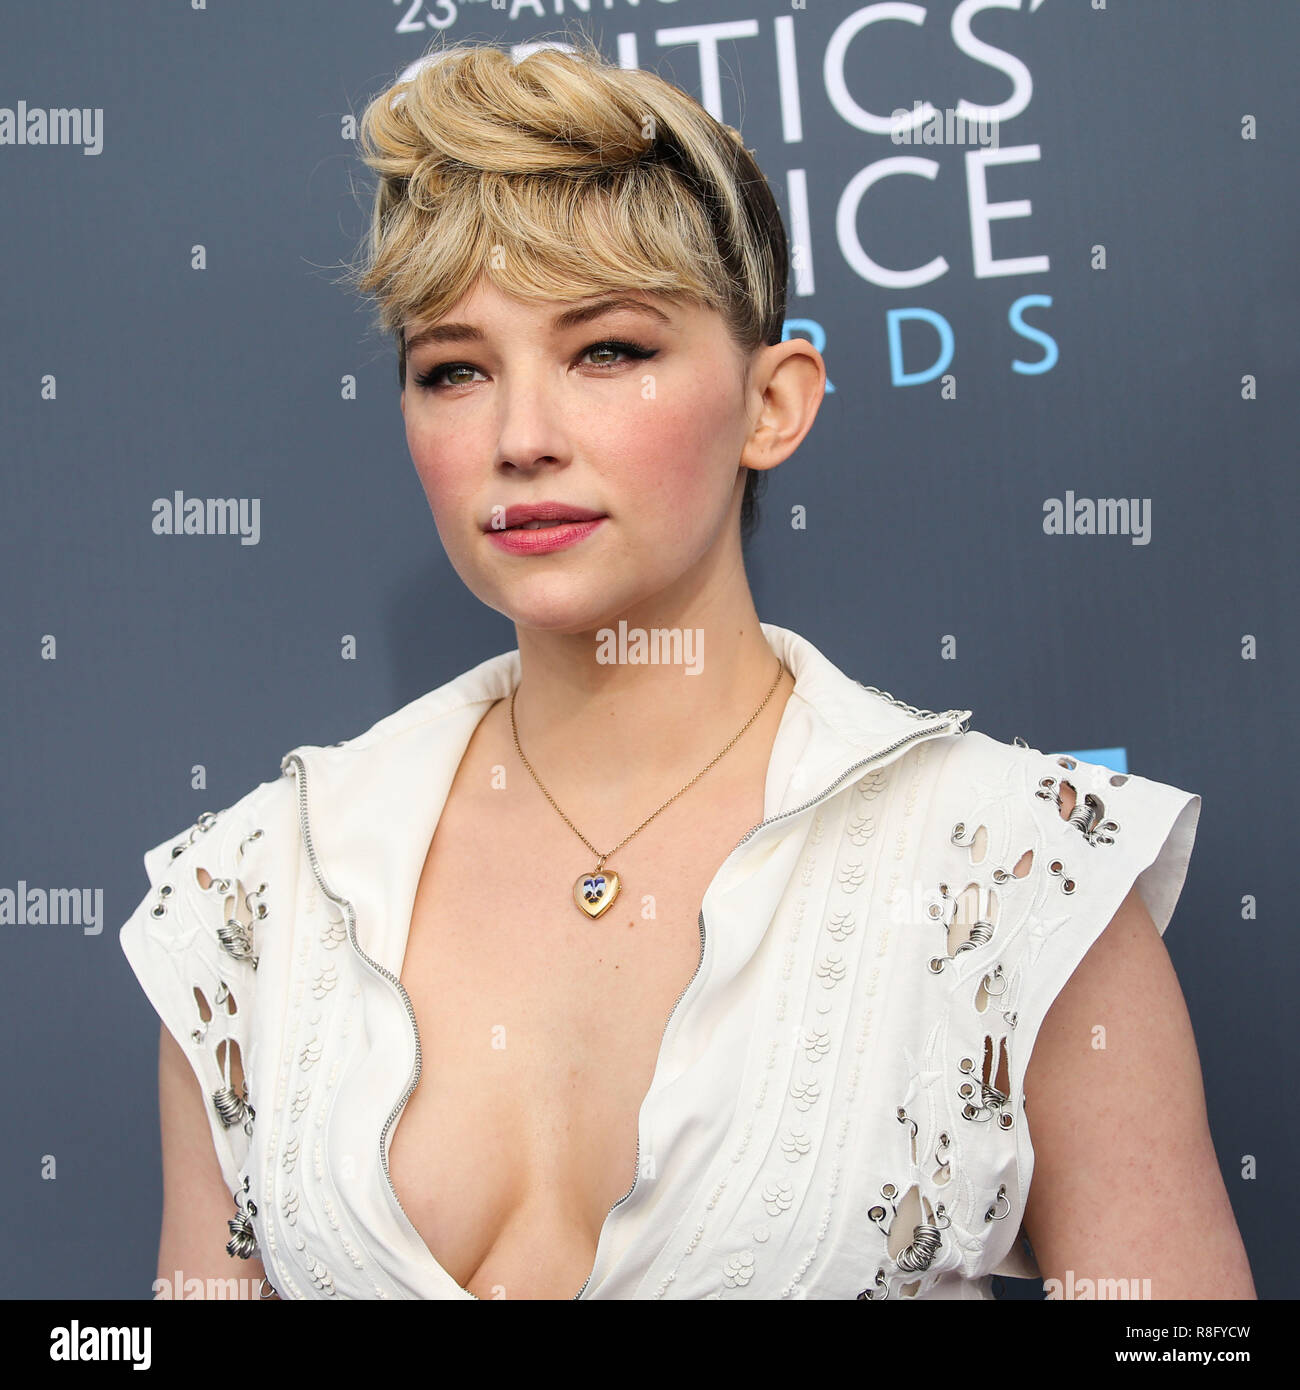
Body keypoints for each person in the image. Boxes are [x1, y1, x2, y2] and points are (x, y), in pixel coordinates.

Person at [119, 36, 1255, 1301]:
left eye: (608, 350)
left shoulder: (1011, 873)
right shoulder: (256, 891)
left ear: (774, 403)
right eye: (454, 370)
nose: (522, 438)